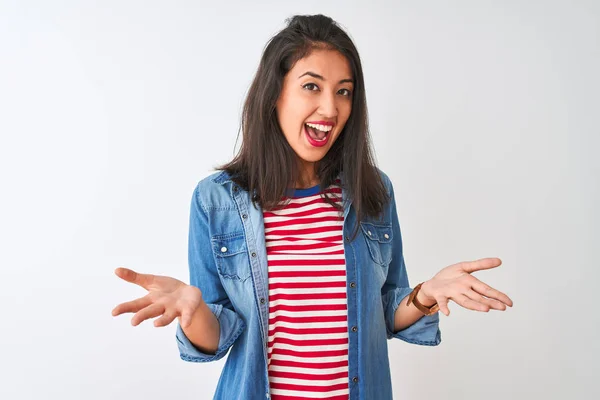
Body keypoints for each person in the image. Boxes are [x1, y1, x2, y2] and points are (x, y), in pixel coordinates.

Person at [111, 14, 513, 400]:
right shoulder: (216, 200)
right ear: (275, 94)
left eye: (343, 91)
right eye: (311, 86)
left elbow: (385, 312)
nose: (330, 109)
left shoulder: (372, 191)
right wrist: (193, 310)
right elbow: (216, 337)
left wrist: (425, 294)